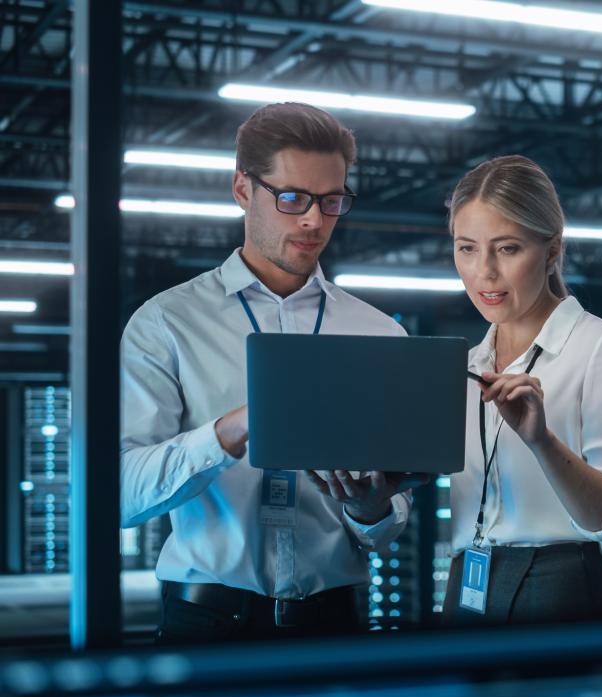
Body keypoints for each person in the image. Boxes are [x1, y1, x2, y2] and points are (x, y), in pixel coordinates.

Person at [120, 102, 427, 642]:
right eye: (292, 198)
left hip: (335, 628)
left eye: (331, 201)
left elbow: (384, 532)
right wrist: (231, 430)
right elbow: (118, 496)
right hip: (207, 626)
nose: (313, 220)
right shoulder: (167, 323)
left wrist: (370, 508)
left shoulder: (379, 333)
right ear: (243, 189)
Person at [443, 155, 602, 624]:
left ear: (552, 250)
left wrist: (542, 442)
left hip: (561, 588)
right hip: (467, 586)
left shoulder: (600, 347)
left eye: (508, 248)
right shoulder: (469, 362)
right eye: (467, 248)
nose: (484, 273)